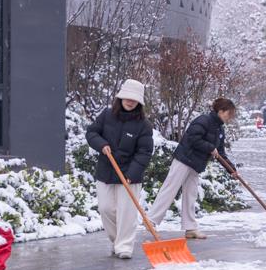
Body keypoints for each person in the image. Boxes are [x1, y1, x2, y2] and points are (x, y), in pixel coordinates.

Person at [148, 98, 237, 239]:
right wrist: (210, 147)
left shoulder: (219, 128)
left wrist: (231, 170)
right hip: (184, 159)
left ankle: (190, 228)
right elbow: (193, 138)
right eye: (229, 114)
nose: (230, 117)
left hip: (196, 165)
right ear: (220, 111)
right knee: (170, 188)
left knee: (191, 195)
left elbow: (220, 153)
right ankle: (151, 220)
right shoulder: (204, 120)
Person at [86, 79, 154, 259]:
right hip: (106, 170)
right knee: (105, 208)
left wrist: (132, 174)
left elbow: (144, 152)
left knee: (126, 212)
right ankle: (116, 240)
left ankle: (124, 246)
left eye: (134, 99)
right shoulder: (107, 115)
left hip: (129, 173)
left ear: (139, 102)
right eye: (127, 98)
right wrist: (101, 144)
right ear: (120, 97)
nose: (130, 101)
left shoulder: (144, 125)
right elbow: (91, 133)